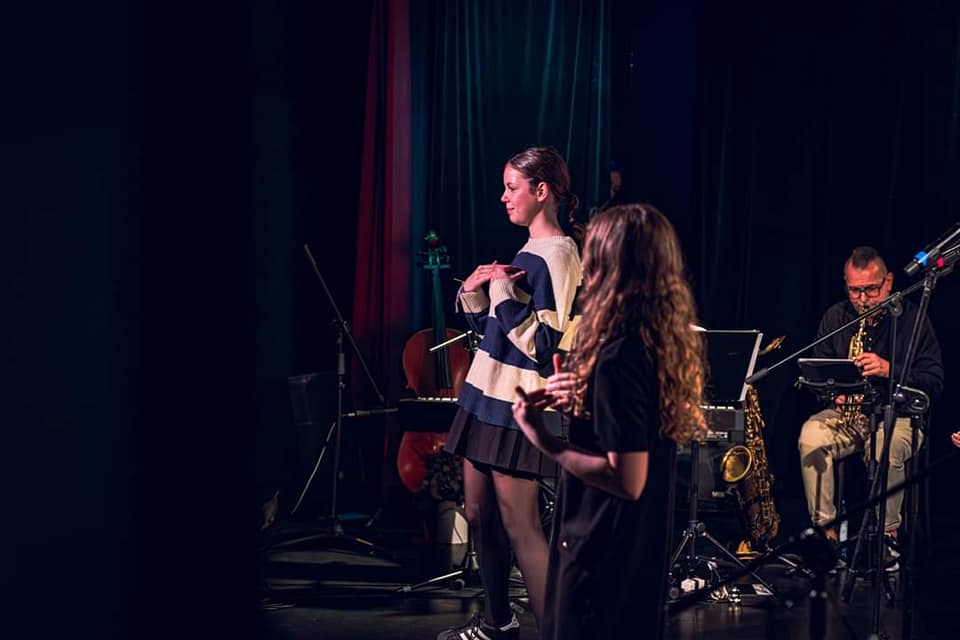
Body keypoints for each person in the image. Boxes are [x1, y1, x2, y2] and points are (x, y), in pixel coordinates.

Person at [512, 204, 707, 640]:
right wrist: (583, 407)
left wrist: (547, 441)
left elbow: (628, 479)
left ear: (608, 265)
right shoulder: (652, 342)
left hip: (602, 550)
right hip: (633, 549)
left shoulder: (620, 357)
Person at [437, 146, 583, 640]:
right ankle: (497, 622)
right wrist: (476, 294)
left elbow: (545, 346)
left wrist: (500, 292)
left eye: (512, 187)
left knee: (521, 527)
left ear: (542, 191)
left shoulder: (559, 254)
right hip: (486, 394)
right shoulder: (530, 250)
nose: (503, 197)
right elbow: (499, 336)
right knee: (479, 515)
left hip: (518, 405)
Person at [797, 246, 943, 568]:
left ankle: (887, 540)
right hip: (849, 415)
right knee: (811, 438)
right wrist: (832, 394)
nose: (863, 300)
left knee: (885, 448)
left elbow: (934, 381)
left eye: (871, 290)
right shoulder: (836, 318)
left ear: (888, 282)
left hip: (898, 415)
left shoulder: (913, 319)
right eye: (855, 291)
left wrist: (889, 369)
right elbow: (817, 371)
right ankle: (826, 538)